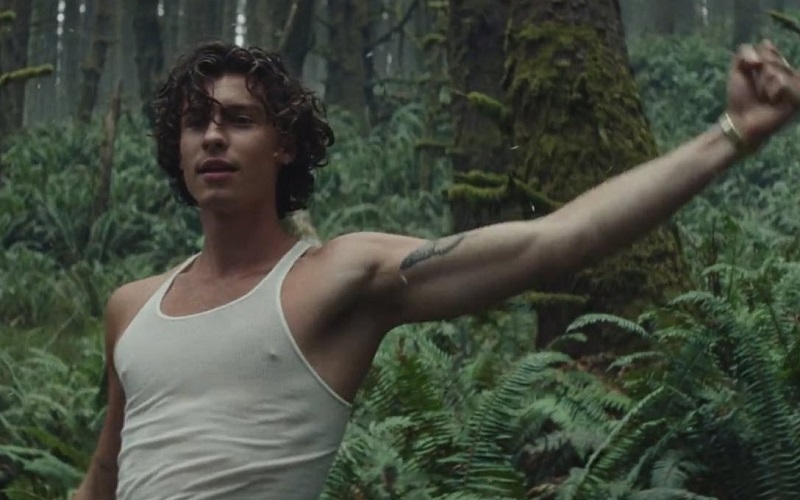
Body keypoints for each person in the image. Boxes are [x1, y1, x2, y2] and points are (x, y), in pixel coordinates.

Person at [72, 38, 800, 500]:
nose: (213, 137)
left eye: (239, 119)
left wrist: (732, 133)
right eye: (195, 122)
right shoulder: (132, 307)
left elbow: (556, 240)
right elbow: (106, 475)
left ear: (283, 144)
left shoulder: (337, 280)